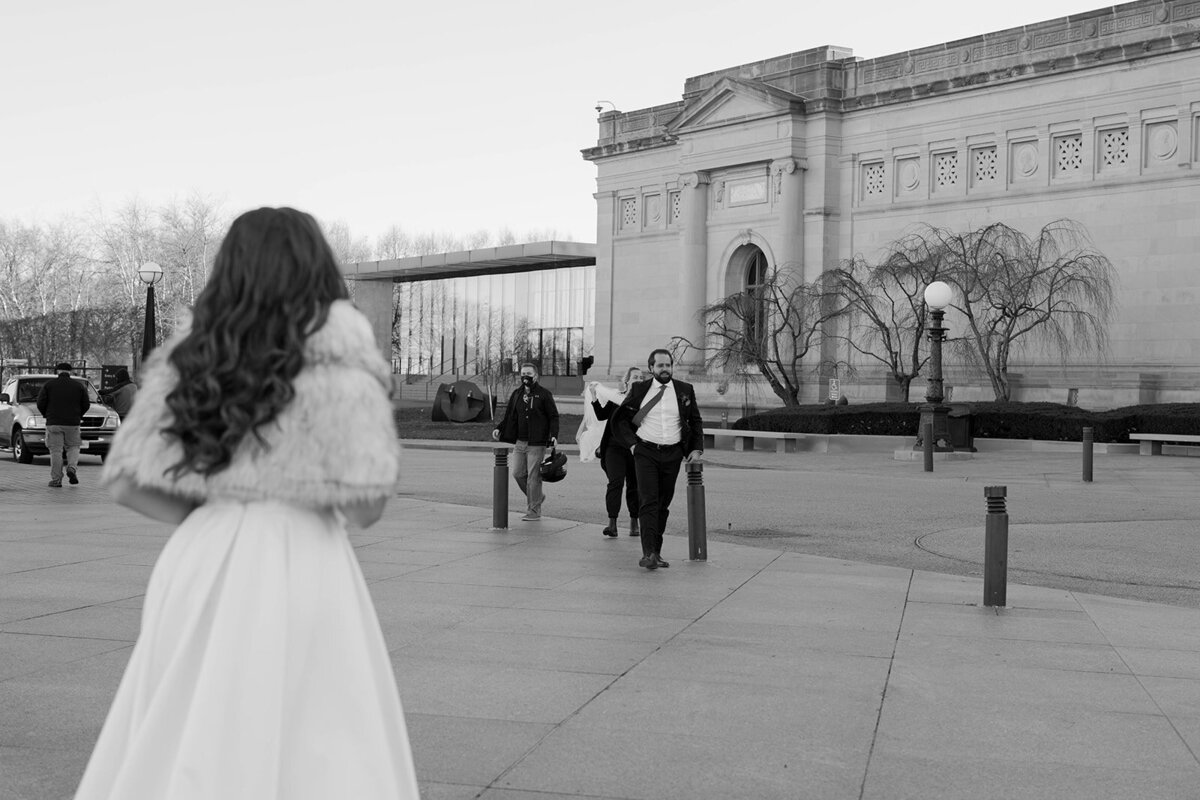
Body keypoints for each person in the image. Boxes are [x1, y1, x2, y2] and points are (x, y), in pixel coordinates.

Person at [74, 207, 419, 799]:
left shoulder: (193, 357)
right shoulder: (346, 358)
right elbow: (366, 504)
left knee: (186, 713)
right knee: (320, 730)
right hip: (307, 557)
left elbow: (128, 478)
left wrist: (220, 512)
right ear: (319, 268)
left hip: (204, 553)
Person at [611, 348, 704, 570]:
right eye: (660, 365)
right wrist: (633, 445)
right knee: (648, 501)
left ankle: (657, 551)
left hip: (673, 453)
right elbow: (621, 419)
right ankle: (648, 552)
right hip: (646, 452)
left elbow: (696, 421)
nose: (665, 369)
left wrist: (696, 449)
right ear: (651, 368)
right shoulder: (640, 389)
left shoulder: (685, 390)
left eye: (668, 365)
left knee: (663, 503)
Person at [492, 362, 559, 522]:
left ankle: (534, 511)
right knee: (517, 473)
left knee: (533, 477)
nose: (525, 376)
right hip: (520, 442)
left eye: (528, 373)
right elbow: (510, 415)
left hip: (537, 442)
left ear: (535, 375)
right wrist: (499, 428)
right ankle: (537, 497)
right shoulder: (517, 394)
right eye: (522, 373)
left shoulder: (544, 394)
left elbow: (553, 416)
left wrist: (554, 435)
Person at [588, 366, 643, 537]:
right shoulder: (616, 399)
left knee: (634, 485)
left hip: (634, 448)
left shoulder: (644, 402)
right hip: (613, 448)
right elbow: (601, 415)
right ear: (626, 381)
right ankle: (612, 523)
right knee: (615, 483)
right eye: (635, 377)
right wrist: (595, 397)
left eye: (641, 377)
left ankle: (635, 523)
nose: (638, 380)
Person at [36, 362, 90, 488]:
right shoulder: (79, 386)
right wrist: (78, 415)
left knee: (56, 451)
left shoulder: (49, 385)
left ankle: (56, 480)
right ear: (70, 372)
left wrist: (47, 415)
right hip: (73, 423)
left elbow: (40, 403)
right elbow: (86, 404)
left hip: (54, 423)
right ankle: (71, 468)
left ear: (57, 371)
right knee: (73, 447)